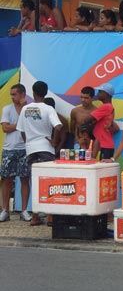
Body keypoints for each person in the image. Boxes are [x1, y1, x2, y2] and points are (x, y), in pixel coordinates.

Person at [16, 81, 62, 226]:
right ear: (46, 92)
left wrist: (28, 142)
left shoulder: (25, 109)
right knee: (49, 182)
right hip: (45, 148)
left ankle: (35, 216)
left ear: (33, 92)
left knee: (35, 182)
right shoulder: (48, 109)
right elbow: (59, 126)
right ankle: (50, 216)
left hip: (31, 150)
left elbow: (21, 130)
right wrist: (54, 142)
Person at [0, 84, 30, 222]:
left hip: (25, 148)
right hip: (10, 148)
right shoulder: (7, 109)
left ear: (22, 94)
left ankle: (24, 210)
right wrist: (20, 125)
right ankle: (5, 210)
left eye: (14, 94)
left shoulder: (29, 109)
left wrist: (23, 111)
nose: (12, 97)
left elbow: (30, 126)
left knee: (24, 179)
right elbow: (5, 128)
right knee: (7, 179)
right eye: (11, 94)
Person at [85, 83, 116, 160]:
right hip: (104, 144)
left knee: (103, 170)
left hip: (104, 144)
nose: (97, 94)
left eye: (100, 92)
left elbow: (87, 119)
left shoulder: (105, 107)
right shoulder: (109, 107)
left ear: (106, 94)